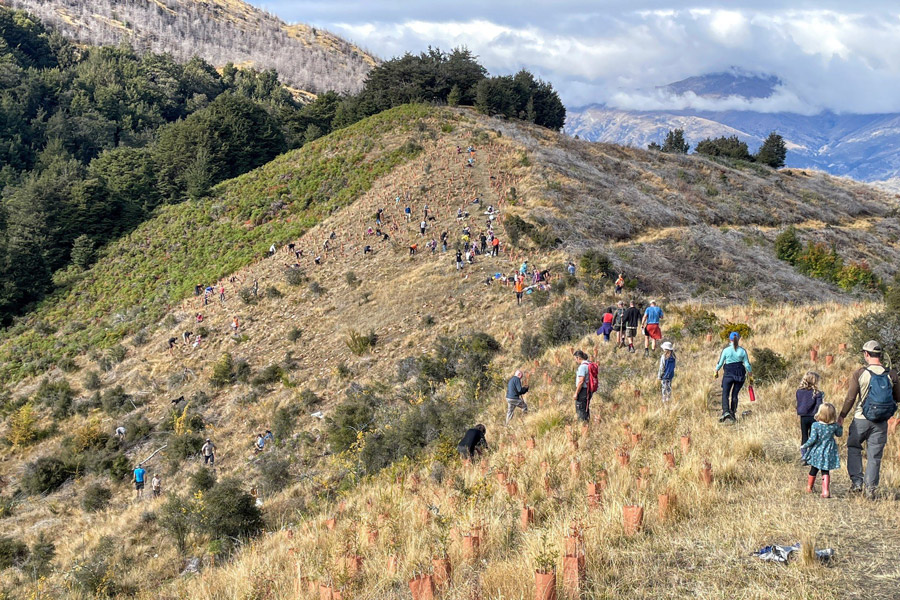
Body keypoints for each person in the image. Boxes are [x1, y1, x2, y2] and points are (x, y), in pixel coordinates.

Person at [838, 340, 900, 498]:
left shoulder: (860, 373)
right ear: (880, 355)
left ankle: (857, 483)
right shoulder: (891, 374)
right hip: (881, 422)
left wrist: (842, 416)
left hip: (860, 418)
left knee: (854, 447)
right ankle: (870, 490)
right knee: (875, 455)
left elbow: (850, 397)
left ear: (866, 354)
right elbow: (898, 397)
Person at [801, 403, 842, 498]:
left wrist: (805, 445)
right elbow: (839, 434)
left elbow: (812, 439)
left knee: (813, 469)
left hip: (817, 451)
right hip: (828, 451)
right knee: (825, 470)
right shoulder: (834, 426)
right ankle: (825, 491)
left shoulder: (815, 425)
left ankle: (809, 487)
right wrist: (840, 425)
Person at [714, 332, 752, 423]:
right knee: (735, 395)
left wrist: (716, 371)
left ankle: (726, 412)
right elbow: (747, 364)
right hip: (740, 374)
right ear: (738, 339)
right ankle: (733, 414)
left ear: (729, 339)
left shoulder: (726, 350)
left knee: (725, 394)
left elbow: (720, 362)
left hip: (728, 373)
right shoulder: (742, 351)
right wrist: (750, 374)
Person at [796, 371, 824, 465]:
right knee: (814, 437)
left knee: (804, 436)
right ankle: (813, 455)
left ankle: (804, 456)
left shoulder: (799, 392)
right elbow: (819, 405)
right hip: (814, 417)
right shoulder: (817, 393)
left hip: (803, 416)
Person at [573, 350, 592, 422]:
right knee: (585, 407)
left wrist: (576, 393)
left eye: (575, 359)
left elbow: (581, 381)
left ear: (578, 358)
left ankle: (583, 425)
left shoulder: (582, 367)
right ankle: (587, 424)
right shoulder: (589, 364)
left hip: (583, 390)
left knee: (580, 408)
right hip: (589, 390)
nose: (575, 361)